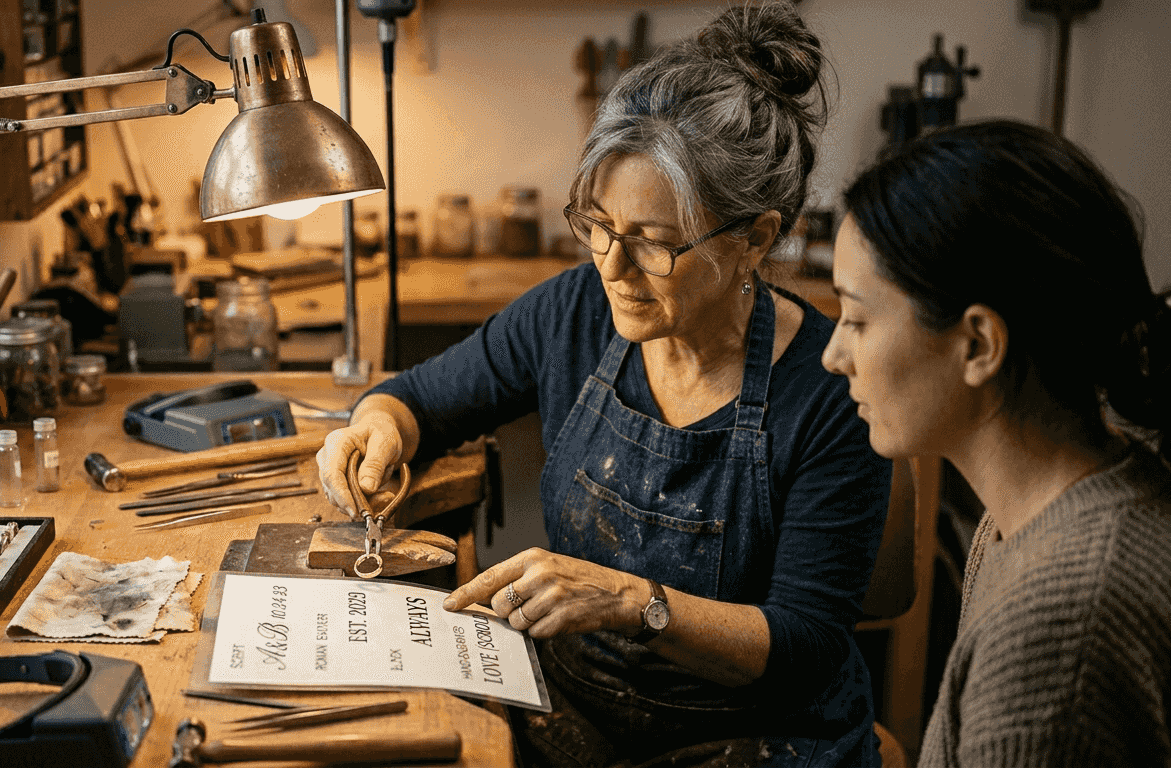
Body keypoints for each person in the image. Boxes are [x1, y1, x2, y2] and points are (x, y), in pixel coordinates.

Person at [318, 3, 891, 765]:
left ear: (754, 238)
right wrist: (377, 427)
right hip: (578, 718)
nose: (611, 269)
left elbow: (805, 647)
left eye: (652, 244)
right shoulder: (574, 312)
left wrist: (632, 603)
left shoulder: (826, 392)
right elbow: (420, 399)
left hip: (754, 738)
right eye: (597, 224)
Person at [822, 119, 1171, 768]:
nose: (833, 355)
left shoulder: (1058, 631)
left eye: (858, 319)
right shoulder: (1031, 514)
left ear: (978, 344)